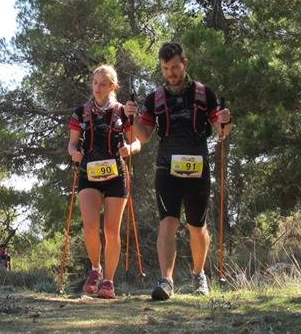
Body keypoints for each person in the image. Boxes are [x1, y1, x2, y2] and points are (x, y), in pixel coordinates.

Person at [125, 42, 231, 300]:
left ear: (185, 63)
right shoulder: (155, 98)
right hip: (166, 166)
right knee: (168, 222)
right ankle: (166, 281)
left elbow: (221, 132)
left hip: (198, 165)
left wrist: (226, 121)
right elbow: (145, 136)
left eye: (175, 67)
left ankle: (199, 275)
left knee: (197, 225)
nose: (170, 73)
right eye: (165, 68)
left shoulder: (206, 94)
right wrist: (133, 119)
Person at [67, 65, 141, 299]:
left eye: (103, 84)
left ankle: (109, 281)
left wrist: (129, 148)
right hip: (89, 172)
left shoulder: (122, 112)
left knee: (111, 230)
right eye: (95, 83)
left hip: (116, 174)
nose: (97, 88)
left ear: (113, 87)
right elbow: (72, 144)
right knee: (90, 226)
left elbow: (137, 141)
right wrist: (73, 153)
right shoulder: (81, 112)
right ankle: (96, 269)